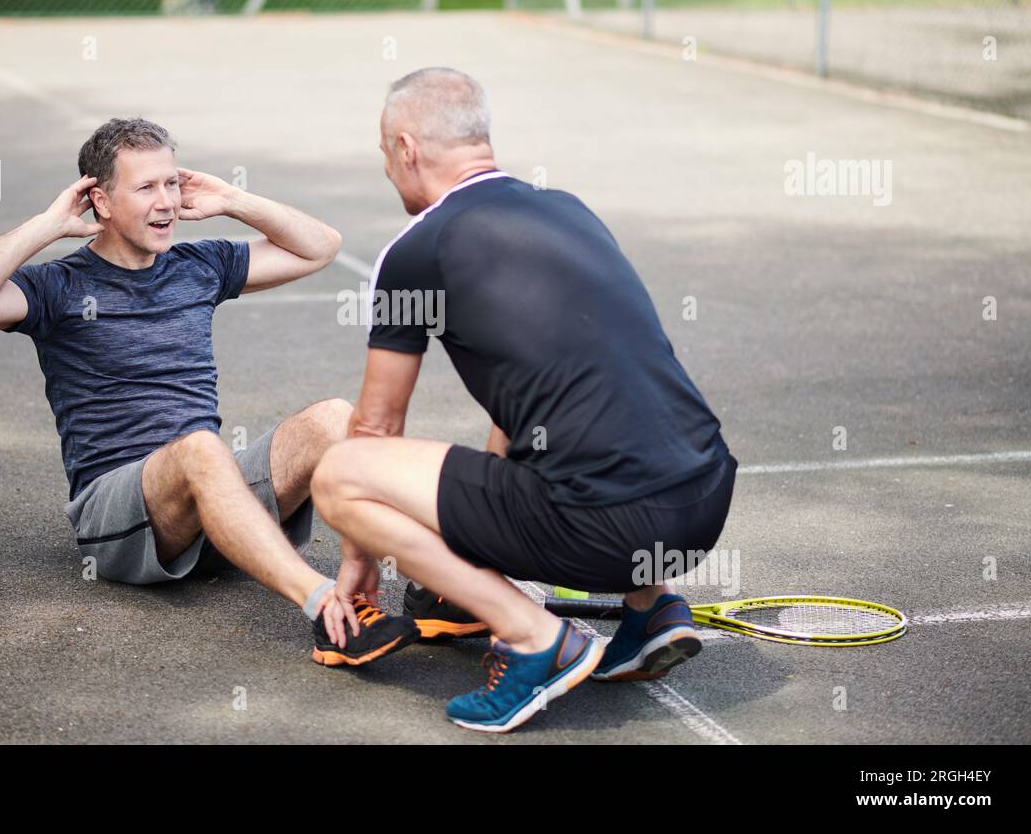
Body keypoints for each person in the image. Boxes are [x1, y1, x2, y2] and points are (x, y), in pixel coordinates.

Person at [311, 69, 737, 732]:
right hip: (704, 505)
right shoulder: (568, 209)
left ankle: (534, 636)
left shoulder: (419, 250)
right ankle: (651, 609)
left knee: (338, 475)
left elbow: (376, 426)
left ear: (406, 148)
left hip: (609, 527)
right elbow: (557, 388)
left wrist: (357, 559)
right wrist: (478, 539)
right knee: (584, 413)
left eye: (383, 155)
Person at [0, 117, 419, 666]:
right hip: (118, 519)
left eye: (171, 183)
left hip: (213, 501)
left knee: (333, 417)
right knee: (201, 449)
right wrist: (46, 226)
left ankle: (439, 579)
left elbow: (320, 247)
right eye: (145, 187)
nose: (166, 202)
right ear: (100, 201)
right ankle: (327, 607)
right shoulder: (59, 287)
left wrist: (234, 199)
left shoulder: (196, 266)